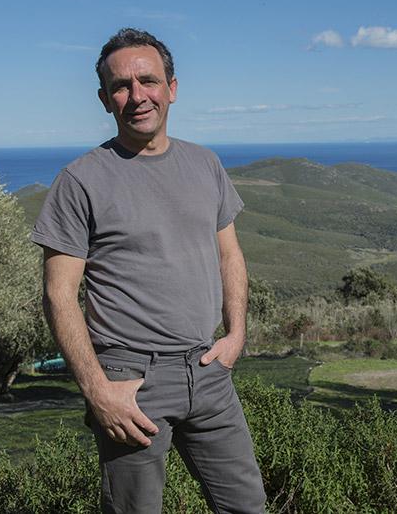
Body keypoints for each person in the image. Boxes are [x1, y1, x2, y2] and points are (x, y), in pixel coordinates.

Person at [32, 28, 266, 514]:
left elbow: (229, 255)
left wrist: (236, 335)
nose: (137, 95)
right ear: (104, 99)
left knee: (247, 506)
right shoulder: (81, 180)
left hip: (209, 372)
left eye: (148, 81)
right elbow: (59, 295)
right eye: (121, 86)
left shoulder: (205, 164)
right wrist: (98, 391)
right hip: (130, 382)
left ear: (171, 88)